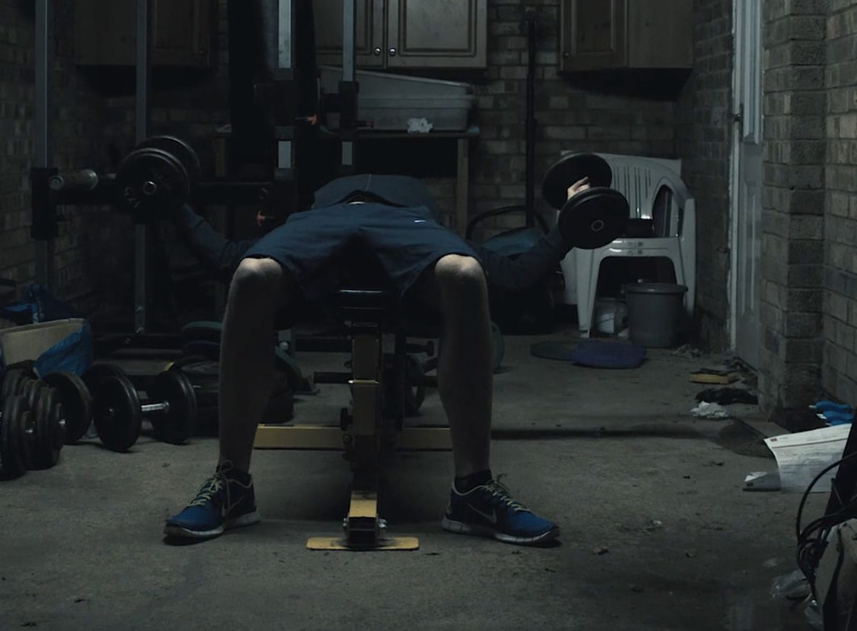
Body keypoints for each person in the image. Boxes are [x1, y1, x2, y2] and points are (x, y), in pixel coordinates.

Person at [161, 171, 592, 546]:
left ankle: (472, 491)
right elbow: (222, 257)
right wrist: (172, 200)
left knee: (466, 274)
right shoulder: (317, 206)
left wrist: (571, 221)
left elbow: (515, 280)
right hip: (322, 221)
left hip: (406, 222)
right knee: (249, 274)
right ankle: (233, 483)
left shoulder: (416, 205)